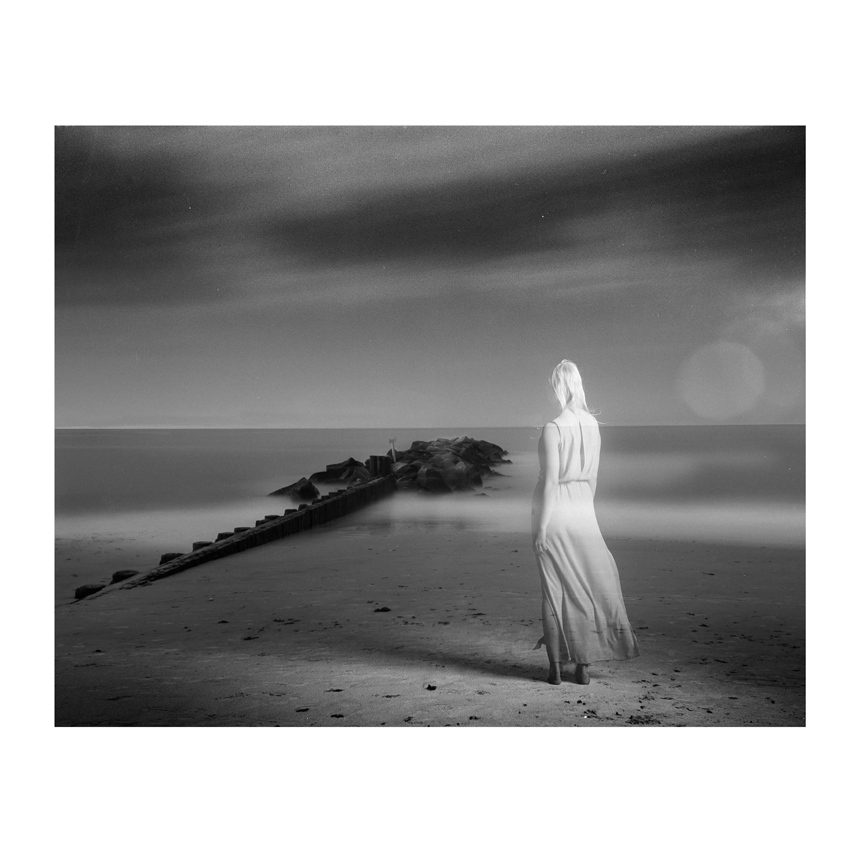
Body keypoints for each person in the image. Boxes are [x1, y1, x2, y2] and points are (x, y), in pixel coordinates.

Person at [532, 359, 639, 685]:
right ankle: (583, 668)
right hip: (584, 512)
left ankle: (555, 670)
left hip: (556, 512)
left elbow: (550, 482)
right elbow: (592, 479)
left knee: (553, 591)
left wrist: (540, 527)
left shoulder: (553, 427)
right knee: (584, 588)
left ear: (558, 388)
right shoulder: (592, 426)